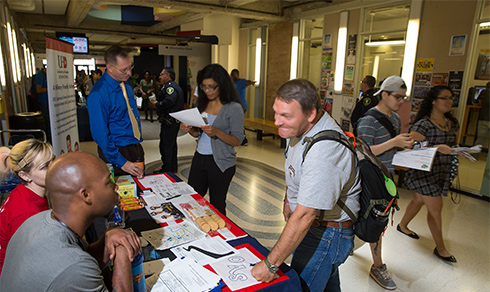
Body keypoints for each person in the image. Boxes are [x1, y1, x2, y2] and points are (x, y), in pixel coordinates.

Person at [251, 79, 361, 291]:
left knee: (300, 287)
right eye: (276, 112)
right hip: (316, 228)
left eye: (285, 116)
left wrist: (270, 264)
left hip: (327, 235)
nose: (276, 122)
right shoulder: (298, 127)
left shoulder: (324, 151)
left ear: (311, 114)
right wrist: (287, 198)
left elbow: (306, 214)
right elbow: (294, 166)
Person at [0, 152, 140, 291]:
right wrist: (123, 252)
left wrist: (108, 237)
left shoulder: (38, 221)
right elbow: (73, 269)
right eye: (108, 182)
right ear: (86, 195)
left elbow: (84, 258)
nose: (115, 187)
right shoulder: (72, 266)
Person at [356, 75, 414, 290]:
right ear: (384, 94)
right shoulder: (368, 120)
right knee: (376, 220)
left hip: (388, 177)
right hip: (372, 179)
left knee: (373, 219)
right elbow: (363, 151)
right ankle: (378, 265)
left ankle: (358, 242)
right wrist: (394, 141)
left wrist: (404, 146)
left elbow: (392, 148)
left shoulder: (396, 120)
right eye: (397, 97)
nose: (400, 101)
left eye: (403, 98)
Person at [398, 85, 459, 263]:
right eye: (445, 98)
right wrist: (436, 148)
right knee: (435, 209)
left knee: (418, 200)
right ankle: (440, 248)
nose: (449, 101)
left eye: (451, 98)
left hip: (442, 170)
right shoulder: (423, 124)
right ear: (433, 101)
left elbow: (452, 143)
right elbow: (411, 148)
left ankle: (402, 226)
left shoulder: (451, 122)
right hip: (424, 173)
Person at [180, 64, 244, 216]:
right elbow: (198, 134)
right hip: (199, 158)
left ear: (222, 85)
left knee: (217, 205)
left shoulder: (233, 108)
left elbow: (238, 139)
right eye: (204, 87)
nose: (207, 91)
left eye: (211, 87)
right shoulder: (202, 103)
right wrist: (190, 130)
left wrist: (217, 132)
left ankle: (221, 238)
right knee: (192, 200)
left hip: (221, 162)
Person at [86, 45, 144, 178]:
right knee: (120, 194)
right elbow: (100, 134)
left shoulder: (125, 82)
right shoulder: (99, 94)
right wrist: (122, 162)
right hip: (116, 151)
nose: (129, 73)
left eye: (130, 67)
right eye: (124, 70)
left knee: (140, 190)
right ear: (110, 67)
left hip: (134, 144)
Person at [0, 139, 55, 275]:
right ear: (24, 175)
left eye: (53, 161)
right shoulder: (26, 212)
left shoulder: (25, 192)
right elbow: (30, 262)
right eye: (45, 166)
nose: (54, 168)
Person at [151, 67, 184, 173]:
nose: (159, 76)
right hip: (171, 121)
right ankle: (172, 166)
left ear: (168, 75)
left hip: (170, 121)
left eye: (161, 74)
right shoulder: (169, 86)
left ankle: (167, 168)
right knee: (171, 144)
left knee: (166, 145)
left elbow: (170, 100)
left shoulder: (171, 87)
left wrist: (157, 104)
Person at [231, 69, 255, 145]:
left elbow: (248, 82)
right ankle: (237, 137)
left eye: (234, 74)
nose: (233, 76)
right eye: (232, 74)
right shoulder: (231, 83)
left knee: (238, 122)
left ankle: (244, 139)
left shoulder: (242, 81)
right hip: (234, 106)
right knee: (234, 122)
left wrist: (251, 82)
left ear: (238, 74)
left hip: (242, 106)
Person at [35, 67, 51, 141]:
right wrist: (51, 89)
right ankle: (47, 140)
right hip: (44, 102)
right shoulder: (41, 75)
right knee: (47, 122)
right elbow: (38, 90)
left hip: (52, 102)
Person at [475, 82, 489, 147]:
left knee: (480, 140)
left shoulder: (484, 92)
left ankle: (475, 155)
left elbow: (480, 103)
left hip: (483, 117)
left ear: (486, 87)